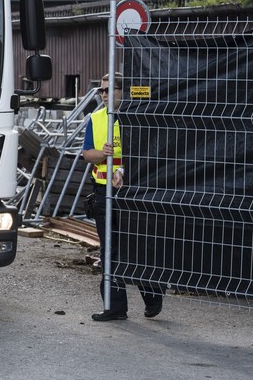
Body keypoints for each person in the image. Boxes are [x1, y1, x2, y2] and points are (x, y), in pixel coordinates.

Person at [82, 72, 164, 321]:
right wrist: (101, 153)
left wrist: (124, 171)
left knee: (136, 248)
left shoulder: (138, 117)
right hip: (102, 193)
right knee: (109, 251)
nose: (105, 95)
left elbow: (146, 153)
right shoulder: (95, 119)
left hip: (132, 193)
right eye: (102, 91)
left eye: (110, 90)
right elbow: (87, 154)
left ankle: (153, 295)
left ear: (123, 91)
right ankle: (115, 307)